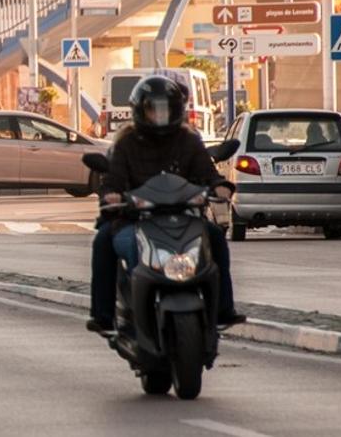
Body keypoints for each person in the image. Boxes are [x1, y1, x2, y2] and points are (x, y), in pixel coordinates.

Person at [87, 75, 244, 335]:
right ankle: (104, 315)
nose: (159, 115)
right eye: (153, 109)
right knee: (103, 241)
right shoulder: (127, 142)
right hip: (136, 220)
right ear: (140, 111)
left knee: (215, 238)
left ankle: (222, 309)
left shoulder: (188, 140)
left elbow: (207, 171)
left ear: (177, 110)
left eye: (166, 108)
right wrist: (112, 195)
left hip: (185, 217)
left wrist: (219, 185)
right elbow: (112, 179)